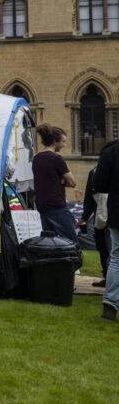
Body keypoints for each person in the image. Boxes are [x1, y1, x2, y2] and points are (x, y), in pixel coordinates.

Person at [31, 124, 77, 241]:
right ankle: (74, 259)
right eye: (63, 141)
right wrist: (61, 181)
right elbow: (72, 182)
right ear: (55, 142)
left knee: (49, 241)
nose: (64, 145)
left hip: (41, 205)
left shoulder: (36, 158)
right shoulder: (57, 158)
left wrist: (58, 180)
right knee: (70, 240)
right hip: (56, 205)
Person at [92, 137, 119, 321]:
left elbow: (99, 183)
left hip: (117, 209)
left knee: (116, 257)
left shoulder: (111, 151)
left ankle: (110, 305)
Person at [83, 159, 111, 289]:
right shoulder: (94, 173)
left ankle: (110, 279)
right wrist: (84, 216)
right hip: (100, 216)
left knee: (108, 249)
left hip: (107, 216)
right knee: (103, 247)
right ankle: (107, 277)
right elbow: (89, 197)